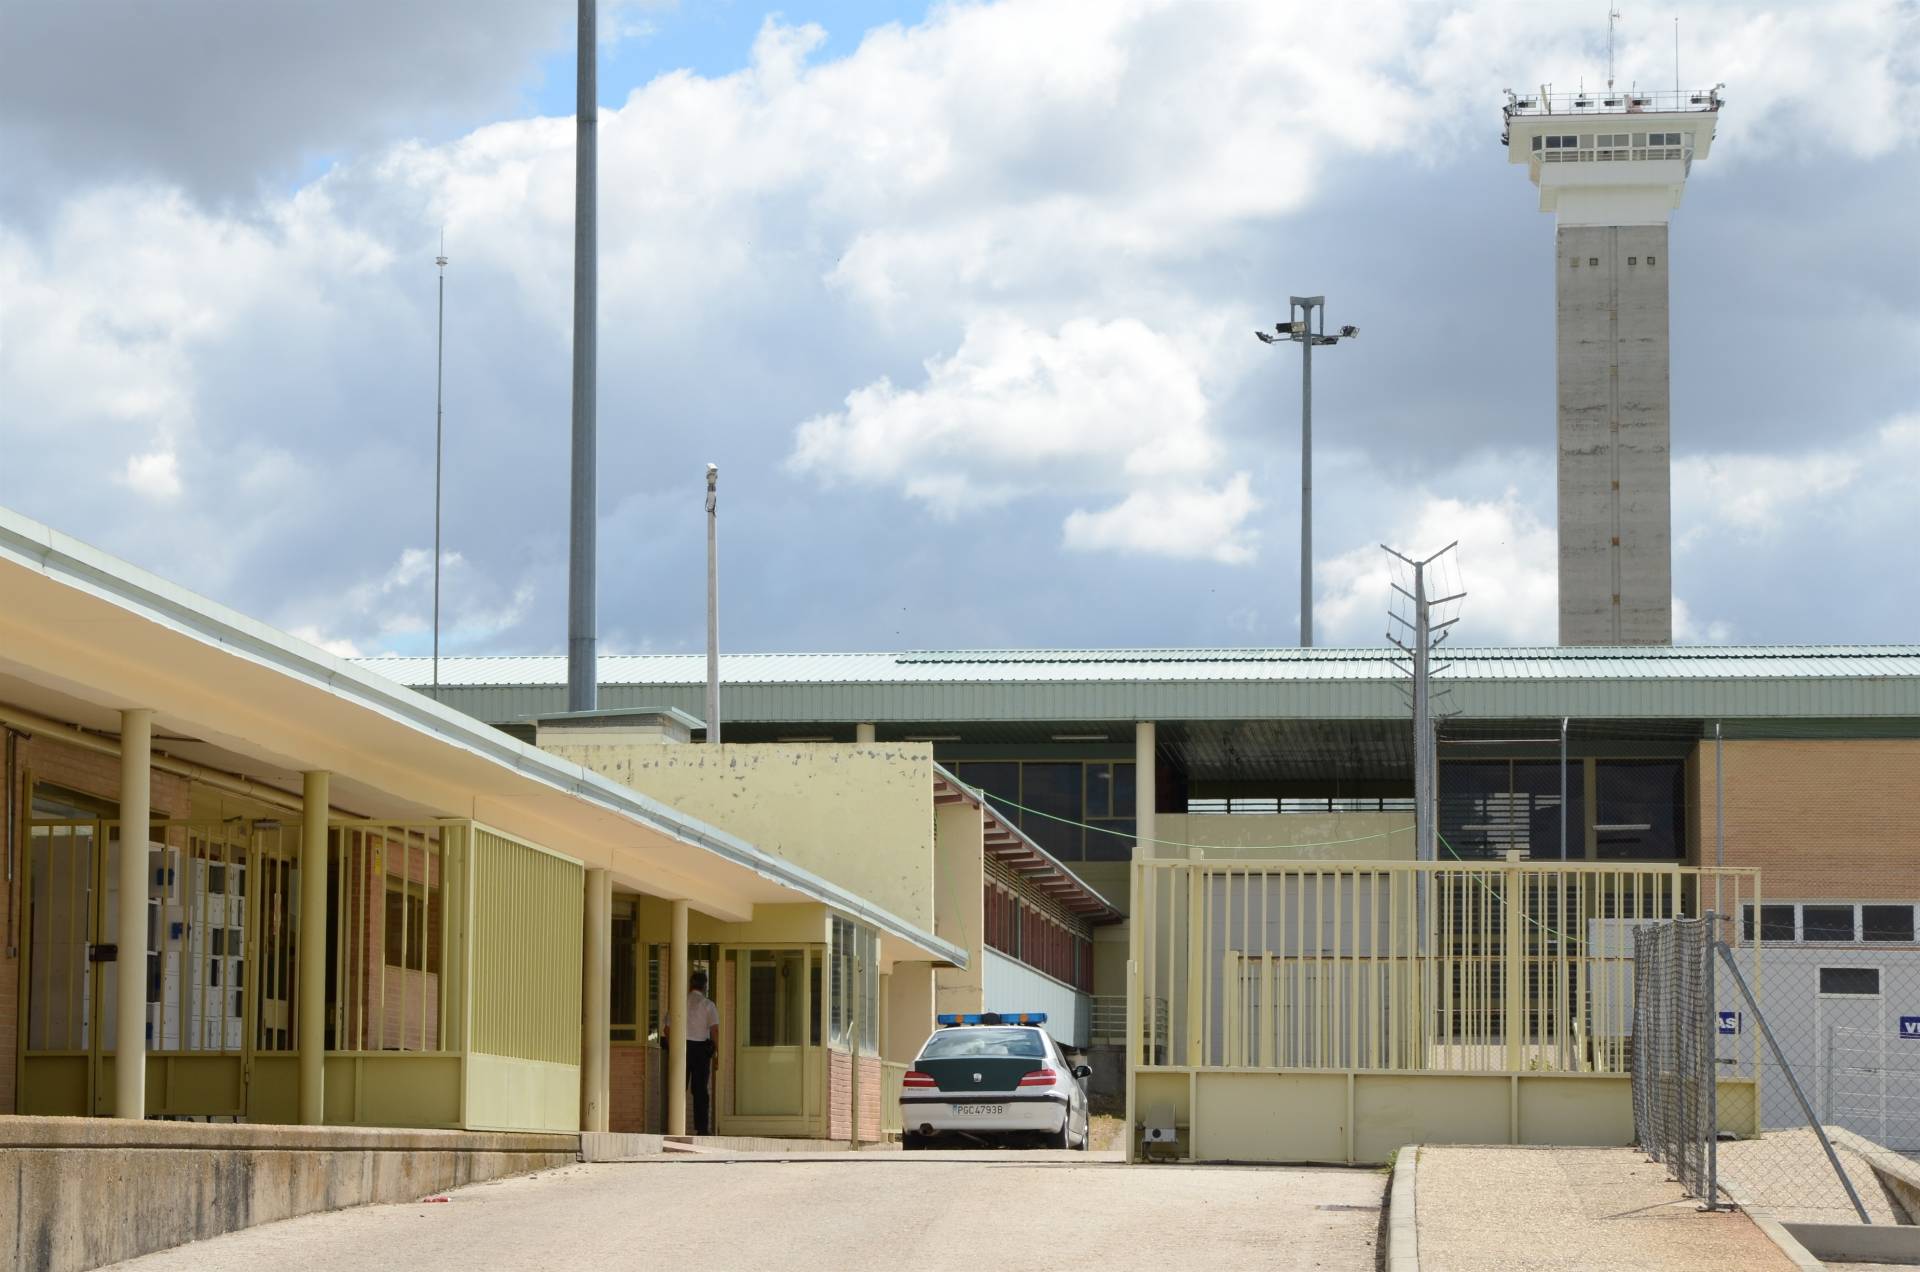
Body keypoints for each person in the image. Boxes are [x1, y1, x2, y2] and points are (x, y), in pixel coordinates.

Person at [663, 968, 721, 1135]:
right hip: (701, 1050)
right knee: (700, 1090)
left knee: (677, 1087)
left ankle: (674, 1126)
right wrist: (716, 1053)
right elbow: (714, 1030)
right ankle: (702, 1129)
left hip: (682, 1048)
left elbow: (667, 1029)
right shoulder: (708, 1005)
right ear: (705, 986)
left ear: (690, 985)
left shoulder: (679, 1002)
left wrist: (674, 1047)